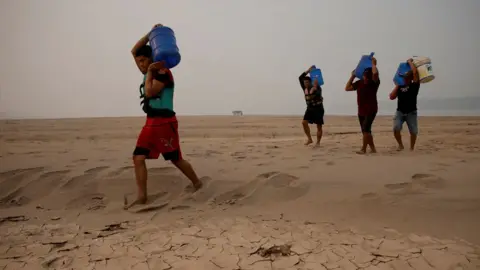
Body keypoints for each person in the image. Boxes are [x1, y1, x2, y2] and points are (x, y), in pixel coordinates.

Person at [127, 24, 203, 209]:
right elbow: (133, 50)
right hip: (151, 122)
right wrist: (150, 34)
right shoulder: (149, 72)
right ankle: (142, 196)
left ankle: (198, 184)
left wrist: (151, 71)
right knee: (138, 157)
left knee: (175, 158)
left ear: (152, 58)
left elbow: (151, 93)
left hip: (164, 122)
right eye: (139, 62)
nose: (141, 65)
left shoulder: (162, 72)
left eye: (144, 60)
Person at [345, 57, 380, 154]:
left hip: (371, 109)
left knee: (366, 129)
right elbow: (347, 88)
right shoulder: (359, 83)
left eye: (366, 75)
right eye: (364, 74)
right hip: (361, 110)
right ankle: (373, 149)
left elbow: (375, 74)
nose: (365, 76)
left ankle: (363, 149)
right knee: (366, 131)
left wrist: (373, 64)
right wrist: (352, 76)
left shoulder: (374, 83)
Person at [389, 58, 420, 151]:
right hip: (400, 111)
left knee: (414, 132)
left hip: (411, 112)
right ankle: (400, 145)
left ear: (410, 78)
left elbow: (415, 73)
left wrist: (410, 62)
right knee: (396, 128)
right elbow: (391, 97)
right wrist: (398, 85)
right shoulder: (400, 86)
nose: (405, 78)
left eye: (407, 77)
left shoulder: (414, 85)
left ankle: (411, 148)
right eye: (404, 77)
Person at [298, 66, 325, 147]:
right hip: (309, 109)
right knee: (304, 123)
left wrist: (315, 88)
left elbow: (318, 94)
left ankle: (318, 143)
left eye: (307, 82)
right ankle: (309, 139)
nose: (305, 84)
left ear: (310, 82)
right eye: (304, 82)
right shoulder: (304, 88)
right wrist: (308, 70)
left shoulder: (317, 88)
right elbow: (300, 78)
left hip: (318, 109)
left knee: (319, 126)